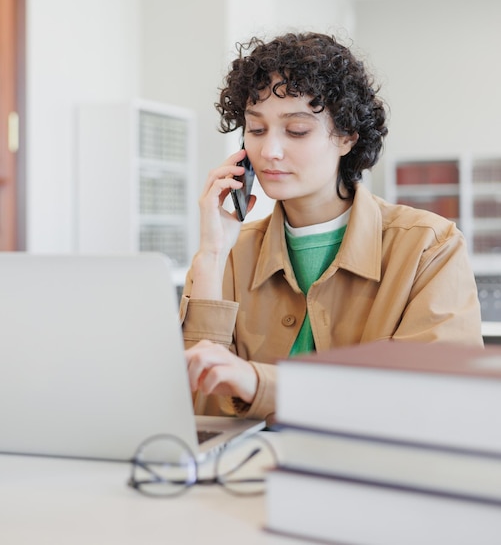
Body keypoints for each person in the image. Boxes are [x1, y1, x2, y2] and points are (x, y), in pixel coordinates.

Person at [181, 31, 482, 425]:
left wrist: (260, 383)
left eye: (297, 131)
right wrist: (211, 256)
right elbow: (197, 413)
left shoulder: (428, 246)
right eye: (256, 130)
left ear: (346, 137)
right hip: (245, 479)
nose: (269, 151)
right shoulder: (230, 253)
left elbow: (438, 397)